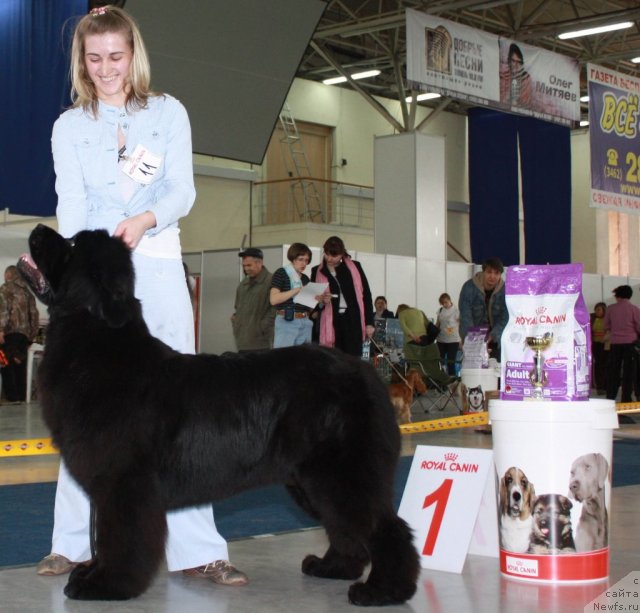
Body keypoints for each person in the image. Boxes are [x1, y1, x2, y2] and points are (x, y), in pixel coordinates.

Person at [37, 5, 247, 587]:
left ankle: (199, 550)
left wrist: (145, 219)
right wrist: (96, 253)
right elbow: (72, 207)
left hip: (155, 263)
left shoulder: (167, 112)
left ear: (135, 55)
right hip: (96, 280)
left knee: (182, 407)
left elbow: (183, 189)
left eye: (117, 57)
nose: (106, 69)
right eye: (95, 57)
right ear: (82, 60)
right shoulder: (68, 127)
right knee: (85, 412)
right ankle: (71, 544)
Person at [311, 236, 374, 357]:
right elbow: (313, 301)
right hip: (331, 321)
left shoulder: (355, 267)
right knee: (333, 360)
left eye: (334, 256)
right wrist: (322, 301)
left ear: (342, 254)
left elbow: (366, 295)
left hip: (352, 320)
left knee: (352, 360)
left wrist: (369, 323)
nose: (329, 258)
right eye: (327, 254)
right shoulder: (317, 271)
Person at [0, 265, 39, 402]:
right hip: (24, 336)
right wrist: (31, 337)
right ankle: (22, 398)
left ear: (9, 275)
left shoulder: (6, 289)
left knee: (5, 363)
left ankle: (12, 398)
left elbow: (3, 310)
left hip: (9, 333)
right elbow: (34, 316)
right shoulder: (29, 294)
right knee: (20, 367)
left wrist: (0, 330)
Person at [458, 257, 508, 363]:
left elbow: (505, 317)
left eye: (497, 273)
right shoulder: (468, 288)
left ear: (500, 275)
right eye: (489, 272)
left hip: (496, 340)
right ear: (483, 271)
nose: (492, 276)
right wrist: (475, 342)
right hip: (473, 339)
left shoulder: (505, 290)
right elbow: (465, 316)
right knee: (474, 373)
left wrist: (492, 336)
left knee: (496, 372)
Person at [269, 243, 317, 348]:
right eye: (300, 259)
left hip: (305, 321)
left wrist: (319, 299)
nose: (304, 263)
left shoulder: (305, 279)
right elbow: (274, 299)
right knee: (284, 359)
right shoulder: (281, 273)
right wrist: (297, 290)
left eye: (306, 260)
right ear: (292, 258)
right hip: (287, 320)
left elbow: (308, 306)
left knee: (303, 360)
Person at [396, 303, 453, 388]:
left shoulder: (401, 313)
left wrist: (414, 336)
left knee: (415, 364)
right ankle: (442, 378)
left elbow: (404, 327)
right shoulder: (419, 312)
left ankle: (416, 387)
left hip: (412, 341)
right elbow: (429, 325)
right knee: (426, 362)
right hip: (424, 340)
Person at [232, 247, 275, 351]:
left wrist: (262, 327)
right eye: (244, 266)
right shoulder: (243, 285)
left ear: (260, 263)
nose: (246, 269)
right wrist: (235, 320)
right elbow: (237, 307)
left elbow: (276, 308)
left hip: (262, 344)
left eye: (249, 265)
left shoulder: (271, 281)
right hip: (242, 343)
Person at [604, 285, 640, 403]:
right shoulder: (634, 309)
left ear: (617, 295)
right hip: (631, 344)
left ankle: (610, 397)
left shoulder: (610, 309)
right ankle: (626, 399)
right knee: (629, 372)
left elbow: (607, 326)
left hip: (615, 344)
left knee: (613, 371)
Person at [499, 42, 533, 108]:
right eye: (513, 61)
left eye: (519, 62)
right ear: (509, 61)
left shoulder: (526, 78)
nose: (516, 65)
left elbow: (526, 102)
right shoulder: (504, 75)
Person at [436, 292, 461, 376]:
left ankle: (452, 380)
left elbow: (461, 325)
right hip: (441, 339)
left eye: (446, 302)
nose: (444, 305)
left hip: (453, 340)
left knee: (451, 362)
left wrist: (461, 339)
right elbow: (437, 323)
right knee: (440, 362)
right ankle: (441, 379)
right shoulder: (440, 310)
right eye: (442, 303)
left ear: (450, 300)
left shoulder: (456, 311)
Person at [590, 302, 609, 396]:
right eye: (596, 310)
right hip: (596, 344)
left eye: (599, 310)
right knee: (598, 365)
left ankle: (606, 386)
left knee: (606, 365)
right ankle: (599, 387)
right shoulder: (593, 319)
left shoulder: (608, 319)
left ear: (604, 310)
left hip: (606, 345)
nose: (597, 312)